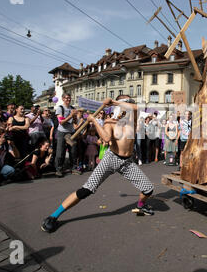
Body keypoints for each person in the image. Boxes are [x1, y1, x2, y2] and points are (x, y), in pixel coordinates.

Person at [41, 96, 155, 233]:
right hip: (111, 159)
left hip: (127, 162)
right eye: (126, 102)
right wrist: (94, 120)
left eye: (129, 102)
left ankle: (141, 205)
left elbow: (136, 108)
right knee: (87, 190)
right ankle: (53, 216)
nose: (130, 104)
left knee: (148, 189)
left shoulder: (132, 120)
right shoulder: (110, 122)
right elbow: (106, 138)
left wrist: (113, 102)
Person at [54, 93, 81, 177]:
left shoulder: (73, 108)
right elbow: (61, 122)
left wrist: (76, 117)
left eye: (69, 98)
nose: (68, 100)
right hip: (62, 132)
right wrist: (71, 115)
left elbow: (75, 122)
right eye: (66, 98)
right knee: (60, 151)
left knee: (73, 151)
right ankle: (59, 169)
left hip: (71, 132)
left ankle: (73, 168)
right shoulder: (60, 108)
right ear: (63, 99)